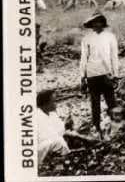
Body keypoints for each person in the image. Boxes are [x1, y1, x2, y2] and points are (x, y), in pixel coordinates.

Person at [80, 11, 120, 139]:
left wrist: (116, 74)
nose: (97, 24)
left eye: (99, 22)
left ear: (103, 23)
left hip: (106, 73)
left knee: (111, 101)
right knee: (95, 103)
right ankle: (97, 128)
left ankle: (115, 127)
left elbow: (114, 56)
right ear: (91, 24)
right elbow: (83, 59)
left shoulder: (110, 36)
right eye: (94, 22)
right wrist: (82, 77)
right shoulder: (86, 39)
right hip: (92, 74)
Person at [37, 90, 98, 164]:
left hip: (54, 140)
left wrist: (80, 136)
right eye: (53, 101)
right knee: (59, 141)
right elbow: (53, 135)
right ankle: (68, 159)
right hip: (41, 147)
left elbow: (61, 130)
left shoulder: (52, 114)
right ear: (45, 104)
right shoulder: (38, 116)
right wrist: (79, 136)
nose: (56, 104)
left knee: (79, 133)